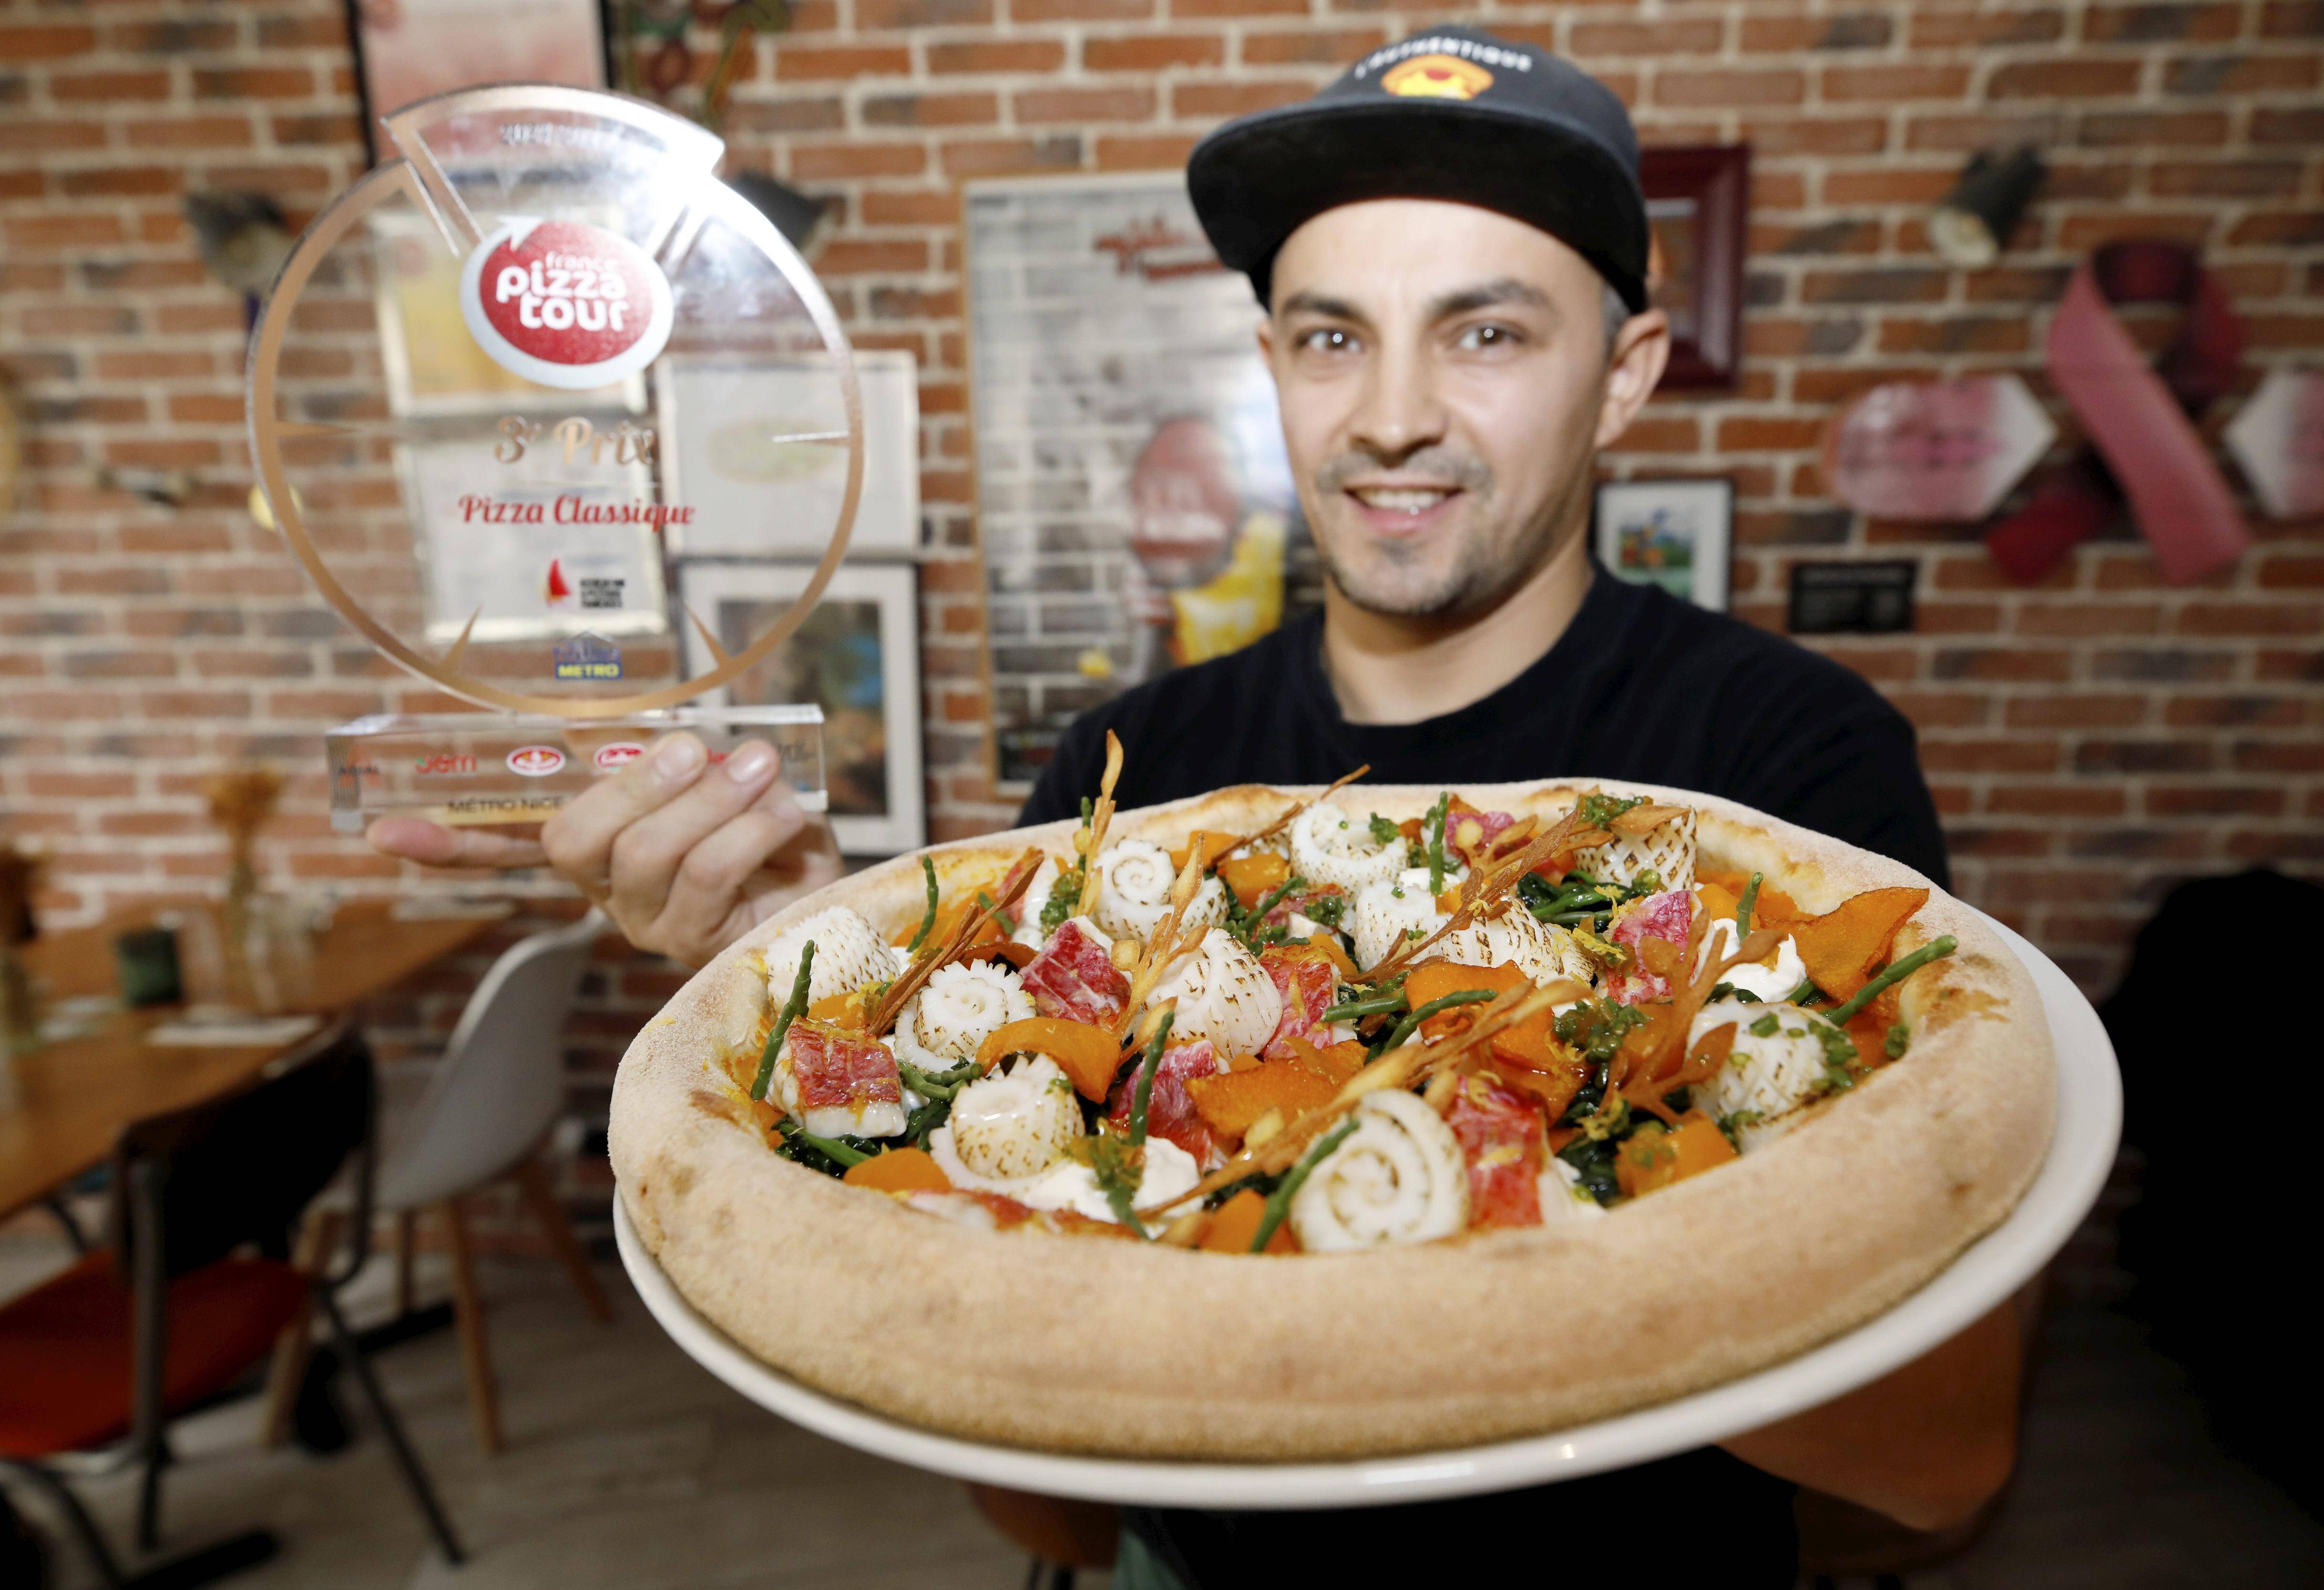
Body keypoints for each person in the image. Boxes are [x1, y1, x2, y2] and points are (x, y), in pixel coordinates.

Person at [370, 26, 2022, 1585]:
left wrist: (1497, 1187)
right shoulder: (1119, 785)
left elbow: (1936, 1472)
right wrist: (821, 1013)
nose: (1390, 415)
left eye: (1490, 330)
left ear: (1627, 372)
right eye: (1330, 335)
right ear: (1272, 367)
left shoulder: (1795, 772)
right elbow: (1056, 1508)